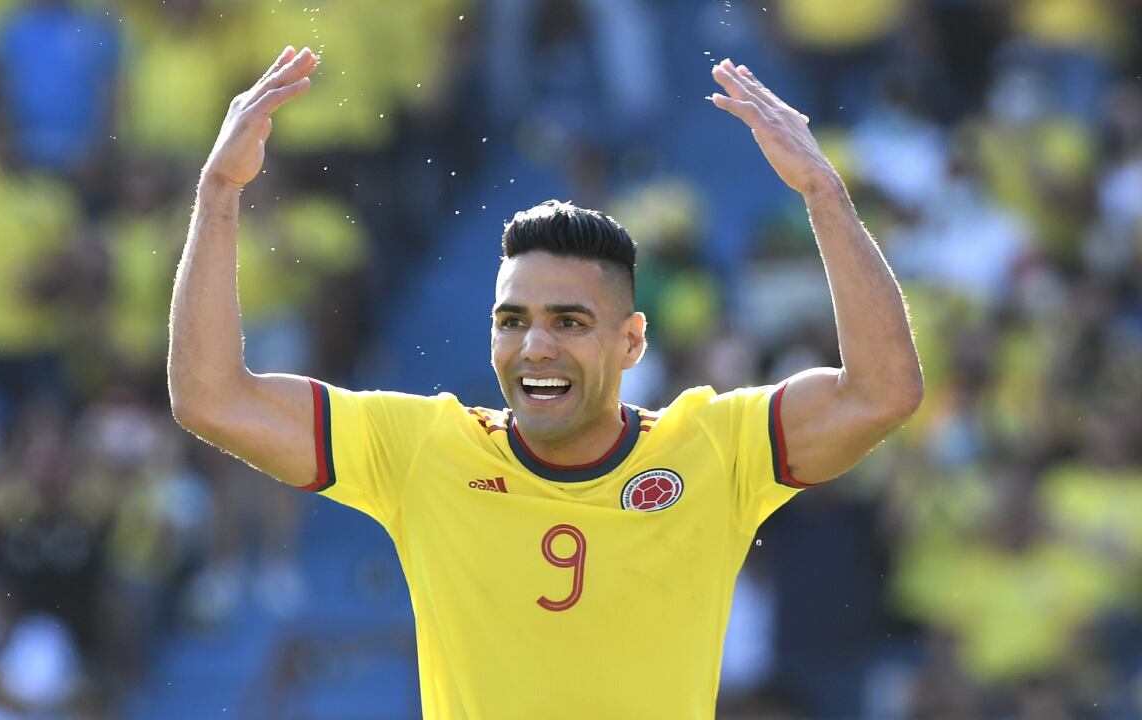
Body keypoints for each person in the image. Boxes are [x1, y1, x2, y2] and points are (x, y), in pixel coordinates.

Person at [167, 46, 923, 718]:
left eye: (569, 322)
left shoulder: (714, 449)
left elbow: (881, 393)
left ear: (632, 342)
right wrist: (219, 194)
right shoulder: (423, 449)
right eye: (511, 320)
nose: (534, 347)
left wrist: (826, 195)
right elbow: (213, 398)